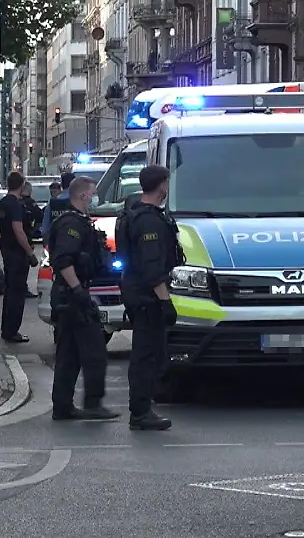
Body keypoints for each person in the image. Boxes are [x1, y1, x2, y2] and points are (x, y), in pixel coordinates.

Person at [48, 175, 117, 421]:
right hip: (72, 295)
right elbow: (63, 260)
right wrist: (78, 291)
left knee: (69, 353)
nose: (95, 197)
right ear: (82, 195)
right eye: (93, 192)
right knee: (95, 350)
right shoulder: (72, 224)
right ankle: (93, 404)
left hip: (69, 294)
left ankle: (63, 406)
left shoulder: (77, 221)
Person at [118, 165, 181, 431]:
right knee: (146, 356)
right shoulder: (149, 221)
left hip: (138, 294)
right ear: (162, 186)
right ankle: (141, 412)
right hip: (146, 298)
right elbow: (153, 268)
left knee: (150, 353)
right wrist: (165, 301)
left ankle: (143, 408)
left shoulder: (136, 214)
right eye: (167, 183)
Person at [0, 172, 38, 343]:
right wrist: (30, 252)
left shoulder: (2, 203)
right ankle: (12, 330)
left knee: (10, 291)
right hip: (17, 253)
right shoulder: (15, 205)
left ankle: (7, 328)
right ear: (21, 185)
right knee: (17, 294)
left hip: (6, 250)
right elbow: (18, 231)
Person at [19, 182, 41, 298]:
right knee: (25, 264)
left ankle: (19, 287)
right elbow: (39, 215)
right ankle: (23, 288)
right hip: (26, 235)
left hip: (14, 240)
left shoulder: (16, 201)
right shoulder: (30, 203)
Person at [40, 172, 75, 238]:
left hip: (56, 241)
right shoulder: (77, 201)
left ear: (61, 184)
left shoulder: (52, 202)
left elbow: (45, 228)